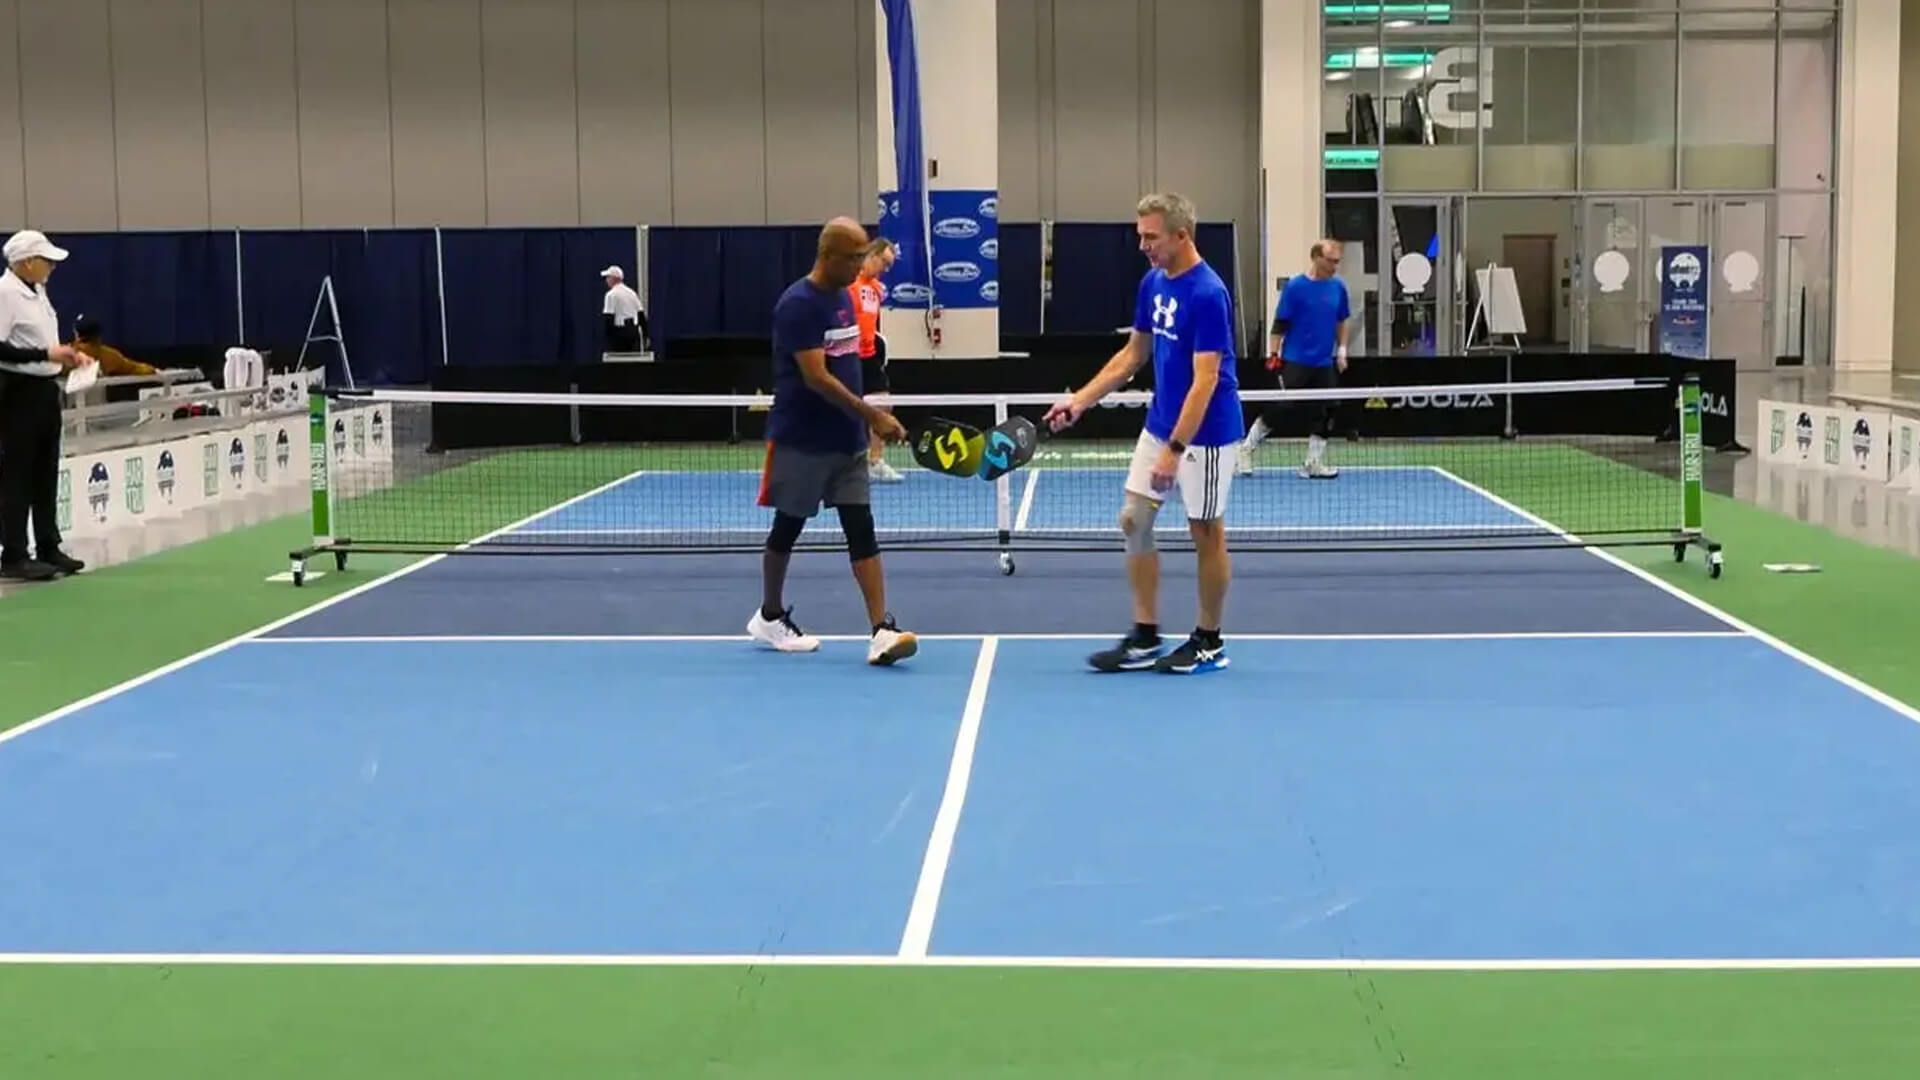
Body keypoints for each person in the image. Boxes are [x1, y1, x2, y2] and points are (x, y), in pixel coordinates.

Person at [1043, 193, 1241, 675]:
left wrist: (1175, 450)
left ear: (1181, 235)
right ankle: (1147, 634)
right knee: (1133, 519)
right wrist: (1080, 401)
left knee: (1205, 532)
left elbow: (1206, 380)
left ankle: (1209, 639)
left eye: (1151, 237)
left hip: (1206, 435)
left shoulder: (1208, 293)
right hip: (1160, 423)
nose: (1143, 245)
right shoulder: (1153, 283)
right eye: (1140, 236)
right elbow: (1132, 357)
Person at [748, 216, 918, 666]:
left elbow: (849, 369)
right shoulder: (797, 305)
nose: (863, 264)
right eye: (855, 257)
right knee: (788, 526)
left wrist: (865, 423)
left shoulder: (845, 297)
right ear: (829, 256)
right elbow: (817, 378)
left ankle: (882, 629)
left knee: (861, 527)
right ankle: (770, 614)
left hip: (846, 442)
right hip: (801, 439)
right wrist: (874, 416)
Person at [0, 230, 93, 581]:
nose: (51, 267)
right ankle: (13, 553)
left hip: (43, 388)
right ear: (26, 262)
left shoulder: (37, 293)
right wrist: (45, 354)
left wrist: (65, 357)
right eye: (46, 260)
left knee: (44, 471)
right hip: (18, 392)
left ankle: (48, 544)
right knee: (18, 474)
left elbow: (43, 343)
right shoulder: (5, 293)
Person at [1238, 239, 1351, 478]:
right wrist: (1274, 354)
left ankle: (1312, 462)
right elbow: (1280, 325)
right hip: (1295, 360)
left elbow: (1342, 320)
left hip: (1324, 363)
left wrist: (1342, 348)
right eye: (1331, 261)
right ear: (1316, 258)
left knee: (1328, 410)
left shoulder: (1339, 287)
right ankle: (1245, 450)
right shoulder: (1295, 288)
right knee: (1280, 408)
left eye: (1337, 261)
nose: (1335, 266)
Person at [852, 238, 902, 483]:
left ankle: (876, 460)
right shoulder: (849, 283)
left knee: (882, 404)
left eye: (889, 266)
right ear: (871, 255)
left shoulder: (877, 289)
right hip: (846, 355)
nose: (885, 269)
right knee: (844, 407)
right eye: (884, 262)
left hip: (869, 354)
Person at [599, 265, 649, 354]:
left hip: (619, 334)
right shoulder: (632, 293)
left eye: (608, 277)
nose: (606, 280)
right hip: (634, 333)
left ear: (614, 279)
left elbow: (609, 317)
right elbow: (641, 315)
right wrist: (645, 336)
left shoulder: (611, 295)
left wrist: (608, 338)